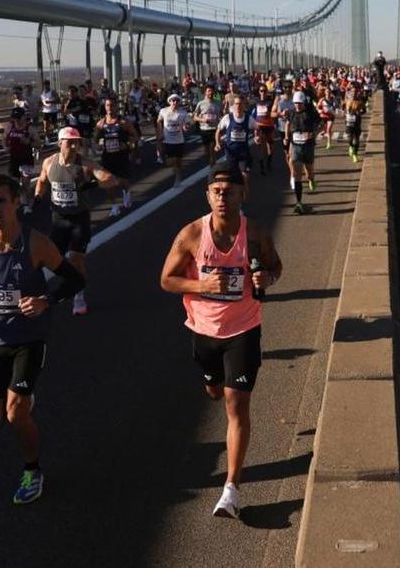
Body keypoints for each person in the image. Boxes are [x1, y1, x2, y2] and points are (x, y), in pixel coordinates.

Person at [160, 162, 283, 519]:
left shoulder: (257, 233)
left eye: (230, 191)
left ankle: (231, 489)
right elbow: (166, 280)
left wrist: (266, 279)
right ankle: (210, 378)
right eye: (216, 191)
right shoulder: (192, 235)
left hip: (244, 328)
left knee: (236, 404)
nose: (222, 197)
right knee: (214, 391)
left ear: (243, 194)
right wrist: (202, 285)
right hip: (204, 331)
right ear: (207, 195)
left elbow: (276, 267)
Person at [0, 175, 85, 505]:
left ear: (16, 203)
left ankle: (32, 470)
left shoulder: (36, 243)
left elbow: (73, 279)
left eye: (0, 201)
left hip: (29, 337)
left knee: (15, 414)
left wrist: (45, 300)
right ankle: (22, 398)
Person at [35, 127, 119, 315]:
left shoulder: (85, 164)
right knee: (51, 259)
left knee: (76, 259)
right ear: (59, 144)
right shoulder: (49, 163)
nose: (74, 146)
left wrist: (93, 183)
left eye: (76, 142)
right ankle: (69, 284)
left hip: (79, 220)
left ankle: (79, 297)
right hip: (58, 220)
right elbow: (42, 181)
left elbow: (110, 179)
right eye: (69, 142)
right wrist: (38, 197)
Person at [94, 98, 138, 217]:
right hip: (107, 157)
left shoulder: (123, 122)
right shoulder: (100, 124)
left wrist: (127, 144)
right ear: (105, 107)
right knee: (107, 182)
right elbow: (95, 140)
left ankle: (126, 192)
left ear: (116, 107)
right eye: (108, 105)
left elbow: (135, 136)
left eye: (112, 105)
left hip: (121, 156)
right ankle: (114, 206)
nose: (110, 108)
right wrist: (99, 146)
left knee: (122, 181)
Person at [215, 94, 259, 196]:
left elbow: (257, 128)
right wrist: (217, 143)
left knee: (244, 175)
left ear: (244, 105)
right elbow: (218, 131)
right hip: (231, 152)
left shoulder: (249, 118)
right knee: (232, 176)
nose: (238, 106)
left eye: (240, 104)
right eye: (236, 104)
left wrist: (257, 137)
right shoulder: (227, 118)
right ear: (233, 105)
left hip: (243, 152)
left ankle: (244, 191)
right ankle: (234, 195)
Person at [284, 92, 319, 214]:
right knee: (296, 174)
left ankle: (311, 179)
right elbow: (287, 124)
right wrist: (287, 138)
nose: (297, 105)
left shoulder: (310, 113)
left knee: (309, 172)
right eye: (295, 103)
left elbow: (321, 124)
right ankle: (299, 202)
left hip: (308, 146)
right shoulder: (291, 113)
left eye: (299, 103)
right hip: (296, 147)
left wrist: (314, 133)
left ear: (303, 103)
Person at [2, 107, 40, 215]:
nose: (17, 120)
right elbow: (4, 139)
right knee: (13, 184)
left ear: (24, 117)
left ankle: (27, 204)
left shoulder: (30, 128)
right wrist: (5, 147)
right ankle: (22, 201)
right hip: (14, 159)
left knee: (25, 184)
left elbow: (39, 144)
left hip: (26, 159)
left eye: (19, 118)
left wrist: (29, 142)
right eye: (15, 118)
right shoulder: (10, 126)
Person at [157, 94, 191, 187]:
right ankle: (176, 171)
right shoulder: (163, 111)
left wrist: (186, 126)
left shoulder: (183, 113)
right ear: (170, 102)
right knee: (170, 162)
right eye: (173, 101)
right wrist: (160, 132)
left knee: (178, 161)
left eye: (176, 101)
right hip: (168, 141)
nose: (175, 102)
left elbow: (187, 124)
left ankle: (178, 177)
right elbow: (159, 120)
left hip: (179, 140)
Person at [194, 86, 224, 167]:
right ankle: (211, 163)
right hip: (204, 129)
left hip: (215, 129)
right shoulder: (201, 103)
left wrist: (222, 119)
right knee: (206, 151)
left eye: (212, 91)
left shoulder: (218, 102)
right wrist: (203, 120)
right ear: (205, 92)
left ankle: (213, 166)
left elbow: (222, 114)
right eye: (209, 91)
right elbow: (195, 117)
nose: (210, 92)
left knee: (212, 149)